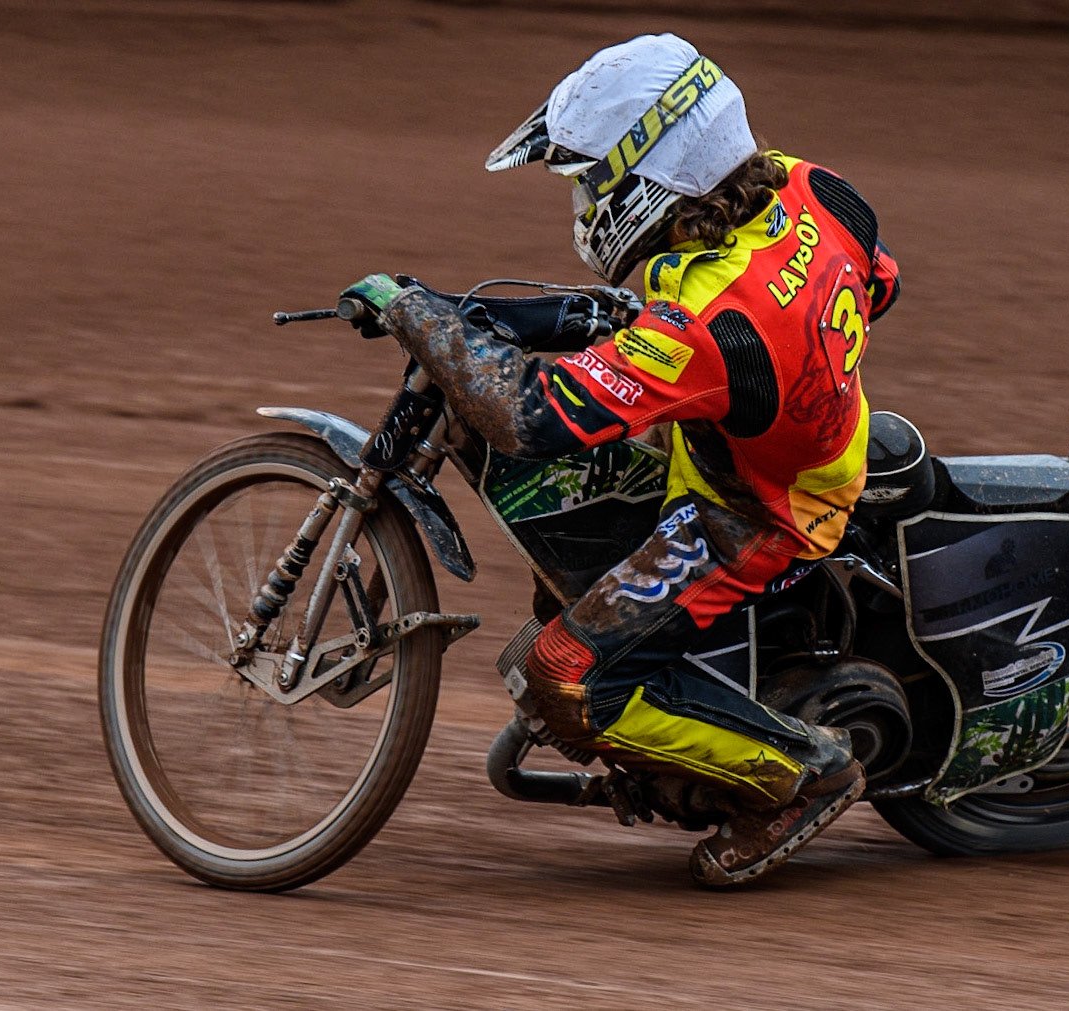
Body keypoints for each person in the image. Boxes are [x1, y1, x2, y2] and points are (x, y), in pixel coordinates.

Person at [341, 33, 900, 887]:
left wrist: (417, 313)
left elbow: (530, 417)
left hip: (753, 511)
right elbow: (881, 281)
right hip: (803, 433)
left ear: (655, 171)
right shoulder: (811, 186)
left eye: (593, 179)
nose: (586, 198)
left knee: (563, 674)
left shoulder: (709, 327)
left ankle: (794, 777)